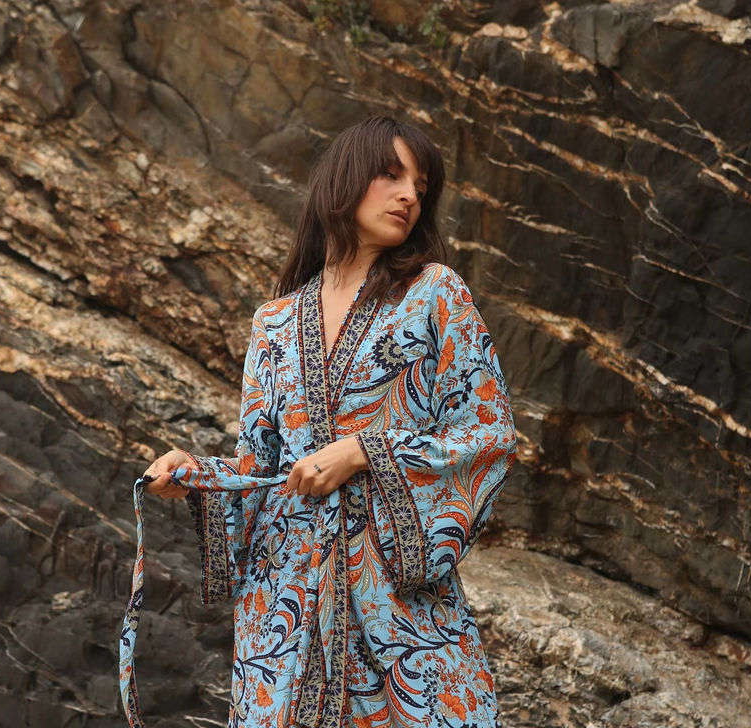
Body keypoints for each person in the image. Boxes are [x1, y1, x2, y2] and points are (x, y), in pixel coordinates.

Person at [121, 116, 517, 728]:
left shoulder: (436, 295)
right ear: (345, 179)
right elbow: (260, 468)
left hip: (396, 604)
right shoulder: (274, 323)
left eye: (420, 186)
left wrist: (363, 452)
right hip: (285, 612)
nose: (409, 195)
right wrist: (195, 475)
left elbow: (487, 435)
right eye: (391, 175)